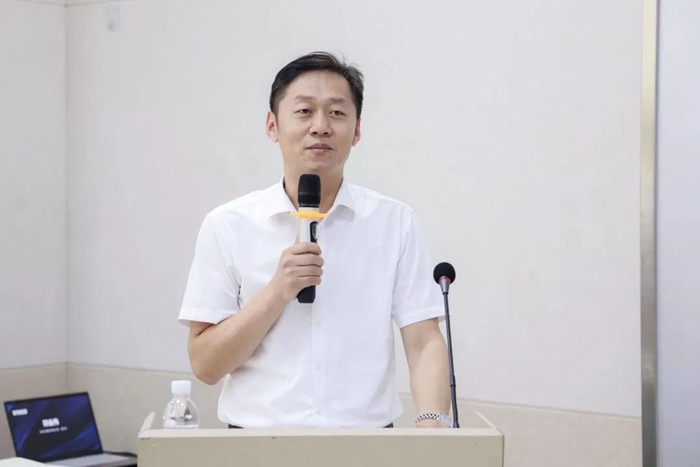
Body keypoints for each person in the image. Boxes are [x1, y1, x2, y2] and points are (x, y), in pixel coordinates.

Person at [178, 51, 451, 429]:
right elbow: (206, 365)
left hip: (366, 444)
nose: (320, 126)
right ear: (272, 126)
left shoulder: (393, 222)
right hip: (257, 445)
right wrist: (277, 291)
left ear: (357, 130)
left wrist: (432, 424)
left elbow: (424, 341)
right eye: (304, 111)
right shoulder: (227, 225)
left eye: (337, 113)